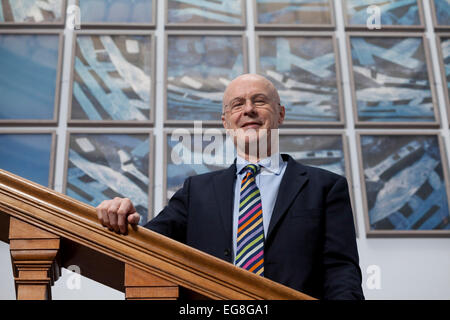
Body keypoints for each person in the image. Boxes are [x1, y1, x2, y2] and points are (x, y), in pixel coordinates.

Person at [96, 74, 364, 300]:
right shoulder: (195, 192)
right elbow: (149, 245)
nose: (248, 110)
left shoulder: (325, 187)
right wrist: (119, 217)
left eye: (259, 101)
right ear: (225, 122)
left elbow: (341, 271)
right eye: (237, 104)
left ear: (280, 114)